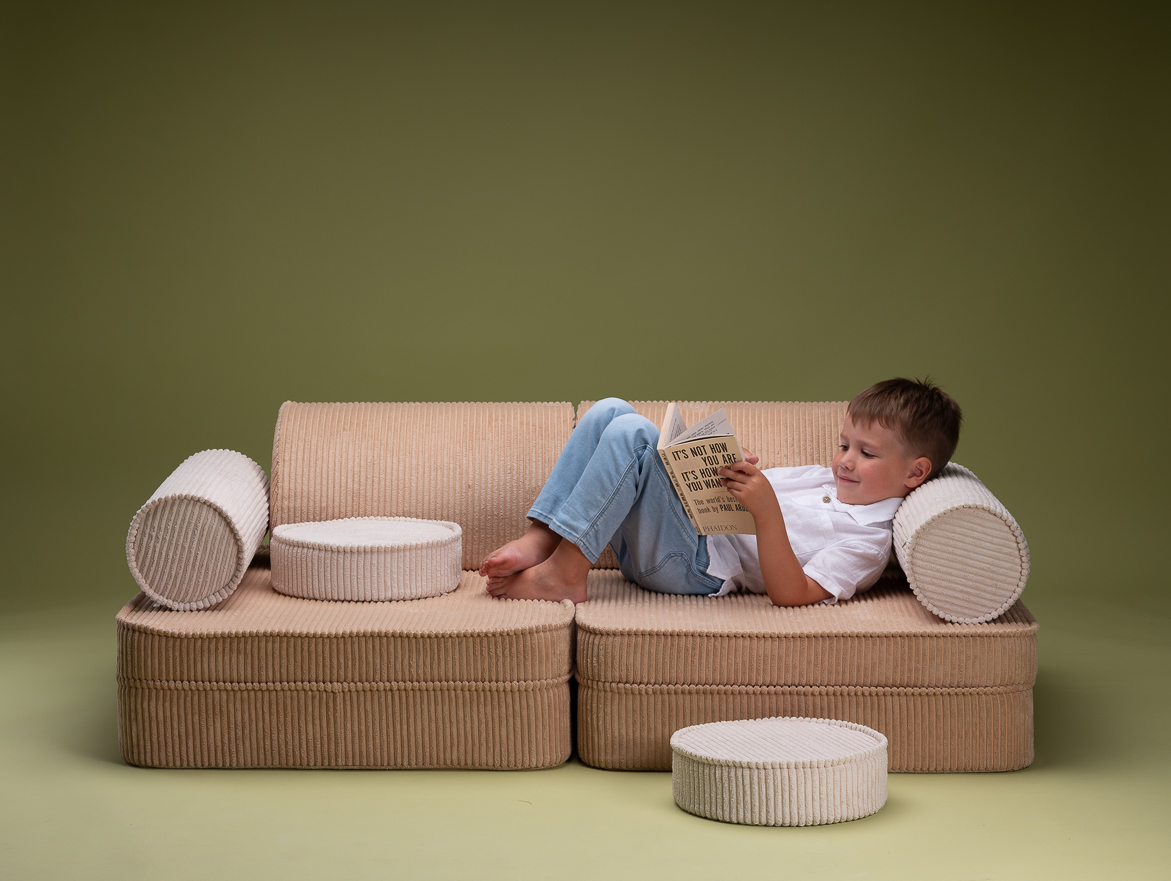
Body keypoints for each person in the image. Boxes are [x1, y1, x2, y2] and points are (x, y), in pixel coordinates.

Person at [479, 378, 962, 607]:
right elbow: (762, 484)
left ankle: (564, 575)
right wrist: (736, 467)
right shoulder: (824, 479)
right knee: (609, 409)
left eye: (867, 454)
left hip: (696, 569)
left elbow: (796, 595)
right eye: (843, 445)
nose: (845, 461)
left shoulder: (870, 542)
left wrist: (767, 514)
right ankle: (544, 538)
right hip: (680, 535)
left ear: (915, 473)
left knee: (632, 434)